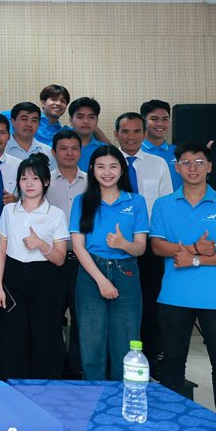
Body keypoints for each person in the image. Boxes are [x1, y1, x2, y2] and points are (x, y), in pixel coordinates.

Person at [150, 142, 216, 422]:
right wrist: (194, 248)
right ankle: (171, 422)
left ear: (210, 166)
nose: (193, 168)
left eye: (199, 162)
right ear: (177, 167)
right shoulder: (163, 205)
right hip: (174, 296)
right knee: (172, 362)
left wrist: (194, 260)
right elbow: (157, 246)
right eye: (186, 162)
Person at [69, 145, 147, 381]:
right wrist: (101, 281)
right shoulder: (82, 201)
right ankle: (94, 396)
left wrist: (124, 244)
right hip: (91, 273)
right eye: (101, 166)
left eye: (113, 166)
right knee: (91, 343)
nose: (107, 172)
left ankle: (121, 396)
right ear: (92, 170)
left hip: (126, 272)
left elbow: (141, 247)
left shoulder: (136, 201)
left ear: (122, 170)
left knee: (125, 342)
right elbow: (78, 246)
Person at [0, 154, 68, 379]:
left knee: (43, 336)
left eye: (35, 178)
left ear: (46, 182)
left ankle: (42, 386)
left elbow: (60, 259)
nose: (29, 184)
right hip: (13, 277)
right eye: (24, 179)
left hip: (45, 277)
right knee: (13, 336)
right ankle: (13, 385)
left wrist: (41, 245)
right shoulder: (9, 211)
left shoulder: (56, 214)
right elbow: (0, 250)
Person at [114, 111, 173, 368]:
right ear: (116, 134)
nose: (131, 137)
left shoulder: (157, 164)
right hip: (114, 243)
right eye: (125, 131)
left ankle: (149, 357)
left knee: (150, 301)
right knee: (118, 302)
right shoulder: (107, 162)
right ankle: (117, 358)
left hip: (148, 244)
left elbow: (164, 205)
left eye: (137, 131)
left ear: (144, 133)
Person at [47, 129, 88, 377]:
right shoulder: (44, 182)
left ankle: (76, 370)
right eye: (63, 148)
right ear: (54, 152)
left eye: (74, 148)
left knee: (81, 318)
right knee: (51, 317)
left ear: (81, 152)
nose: (69, 153)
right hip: (52, 260)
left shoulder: (92, 182)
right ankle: (55, 369)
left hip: (84, 260)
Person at [139, 99, 180, 188]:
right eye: (154, 119)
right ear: (143, 122)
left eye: (165, 119)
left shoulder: (180, 152)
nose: (160, 123)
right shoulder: (134, 152)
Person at [68, 97, 106, 171]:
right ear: (71, 120)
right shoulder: (59, 147)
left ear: (97, 121)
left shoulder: (104, 150)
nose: (86, 121)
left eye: (91, 117)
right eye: (80, 117)